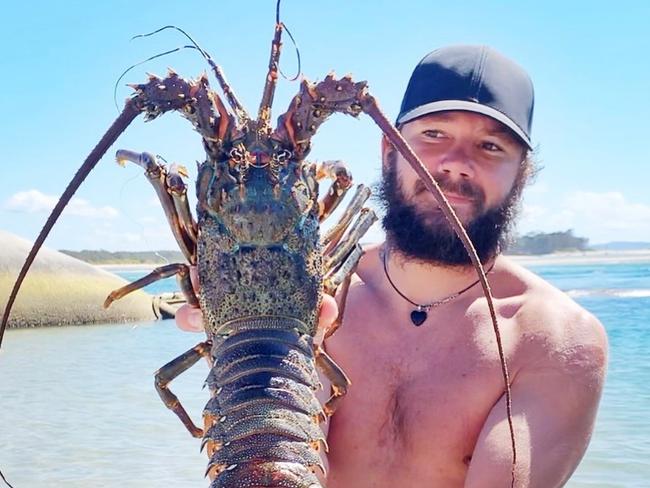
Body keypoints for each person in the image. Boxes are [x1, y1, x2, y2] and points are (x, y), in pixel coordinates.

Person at [176, 45, 608, 487]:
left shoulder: (553, 339)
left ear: (521, 174)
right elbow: (278, 430)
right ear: (389, 150)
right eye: (434, 135)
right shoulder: (325, 296)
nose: (456, 162)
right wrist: (235, 329)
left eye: (490, 145)